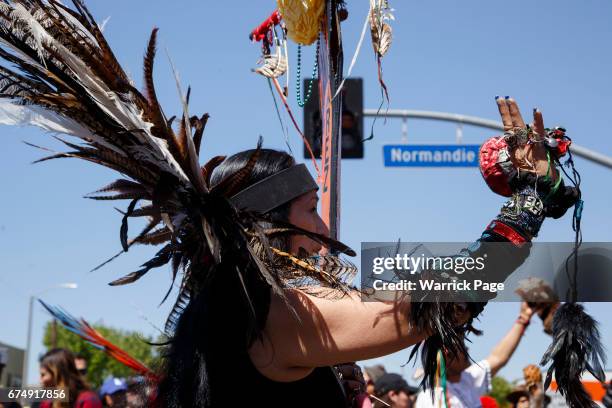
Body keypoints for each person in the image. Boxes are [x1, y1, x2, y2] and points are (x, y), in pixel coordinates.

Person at [0, 2, 579, 406]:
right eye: (309, 211)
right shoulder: (274, 313)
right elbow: (426, 310)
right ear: (268, 228)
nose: (325, 226)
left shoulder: (240, 306)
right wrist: (525, 204)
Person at [415, 302, 536, 408]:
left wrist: (524, 318)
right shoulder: (428, 399)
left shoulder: (468, 380)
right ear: (446, 354)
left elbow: (498, 357)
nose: (467, 349)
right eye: (461, 346)